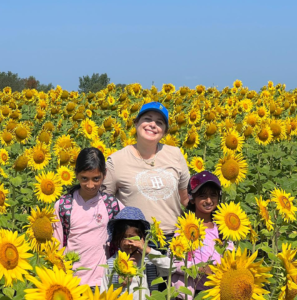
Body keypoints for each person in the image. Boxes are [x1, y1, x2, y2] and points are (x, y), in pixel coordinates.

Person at [103, 102, 190, 240]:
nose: (153, 125)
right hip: (133, 241)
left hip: (174, 239)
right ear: (136, 123)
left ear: (165, 131)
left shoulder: (175, 155)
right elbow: (104, 205)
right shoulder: (116, 160)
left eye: (159, 122)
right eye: (147, 119)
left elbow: (185, 199)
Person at [53, 147, 124, 288]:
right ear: (76, 174)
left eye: (96, 179)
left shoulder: (112, 205)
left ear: (104, 174)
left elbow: (128, 232)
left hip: (103, 282)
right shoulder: (63, 206)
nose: (90, 185)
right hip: (71, 282)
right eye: (84, 178)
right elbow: (56, 246)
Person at [172, 171, 233, 299]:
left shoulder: (222, 229)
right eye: (203, 196)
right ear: (192, 199)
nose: (209, 200)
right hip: (192, 292)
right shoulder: (185, 228)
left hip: (217, 293)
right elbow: (174, 263)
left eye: (213, 195)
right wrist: (198, 269)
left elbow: (231, 256)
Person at [100, 206, 173, 299]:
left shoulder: (149, 261)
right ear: (116, 238)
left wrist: (147, 250)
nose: (127, 242)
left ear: (142, 238)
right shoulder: (111, 263)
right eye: (123, 237)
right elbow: (104, 292)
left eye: (132, 237)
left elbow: (171, 268)